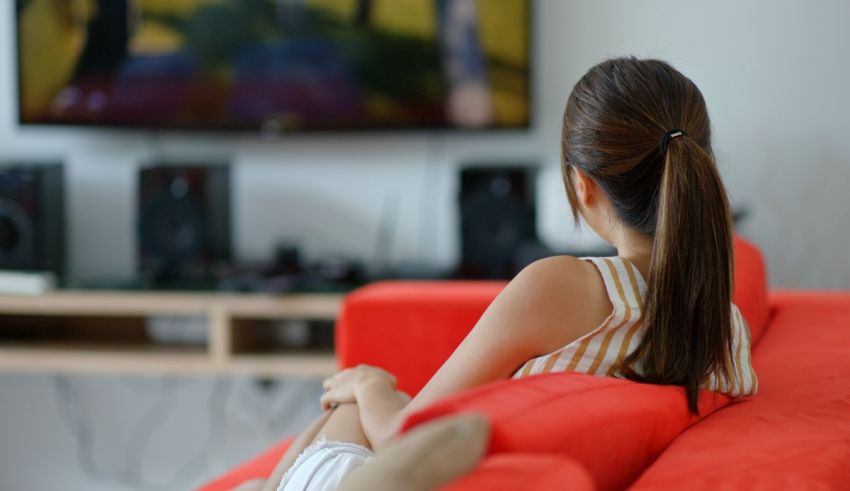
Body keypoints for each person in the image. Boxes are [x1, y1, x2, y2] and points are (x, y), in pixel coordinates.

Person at [242, 57, 758, 491]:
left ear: (582, 186)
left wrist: (370, 383)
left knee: (352, 406)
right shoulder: (722, 326)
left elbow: (404, 433)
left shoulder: (564, 288)